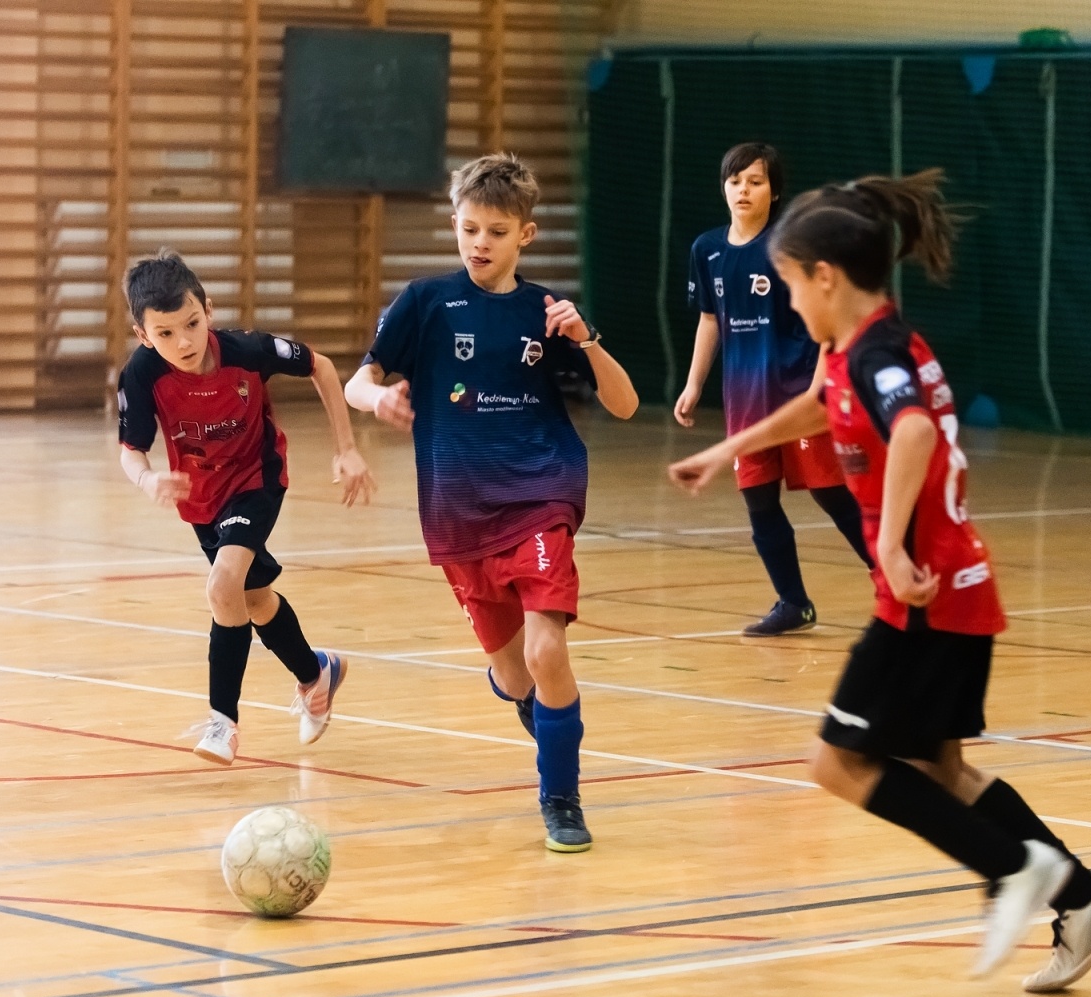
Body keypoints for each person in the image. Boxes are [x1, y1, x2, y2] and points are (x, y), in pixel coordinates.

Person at [667, 170, 1091, 987]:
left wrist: (885, 544)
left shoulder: (881, 353)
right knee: (939, 769)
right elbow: (821, 407)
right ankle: (1087, 900)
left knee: (837, 763)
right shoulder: (864, 343)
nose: (788, 303)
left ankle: (1016, 873)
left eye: (789, 286)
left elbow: (912, 430)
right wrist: (725, 449)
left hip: (922, 591)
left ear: (826, 278)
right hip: (955, 590)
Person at [345, 154, 639, 852]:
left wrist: (587, 341)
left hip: (541, 493)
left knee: (545, 654)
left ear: (526, 235)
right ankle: (544, 728)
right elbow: (359, 378)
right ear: (454, 224)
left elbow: (623, 406)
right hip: (457, 512)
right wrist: (378, 396)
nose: (480, 242)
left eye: (497, 231)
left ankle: (560, 798)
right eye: (470, 228)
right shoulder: (424, 302)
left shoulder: (548, 313)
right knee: (514, 675)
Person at [117, 250, 375, 765]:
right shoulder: (142, 376)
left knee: (222, 586)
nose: (183, 342)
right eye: (165, 334)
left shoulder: (248, 351)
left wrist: (345, 448)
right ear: (144, 335)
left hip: (256, 481)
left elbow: (321, 367)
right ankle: (315, 672)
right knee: (254, 600)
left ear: (208, 310)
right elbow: (130, 451)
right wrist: (147, 479)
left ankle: (223, 723)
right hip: (202, 498)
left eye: (192, 324)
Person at [677, 143, 872, 636]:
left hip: (799, 395)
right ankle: (792, 603)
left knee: (832, 495)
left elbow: (828, 321)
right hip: (746, 400)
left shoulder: (792, 249)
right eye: (735, 180)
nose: (743, 190)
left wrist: (819, 385)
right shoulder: (708, 249)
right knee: (759, 500)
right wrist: (694, 382)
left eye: (755, 181)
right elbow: (708, 319)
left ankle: (892, 580)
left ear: (775, 190)